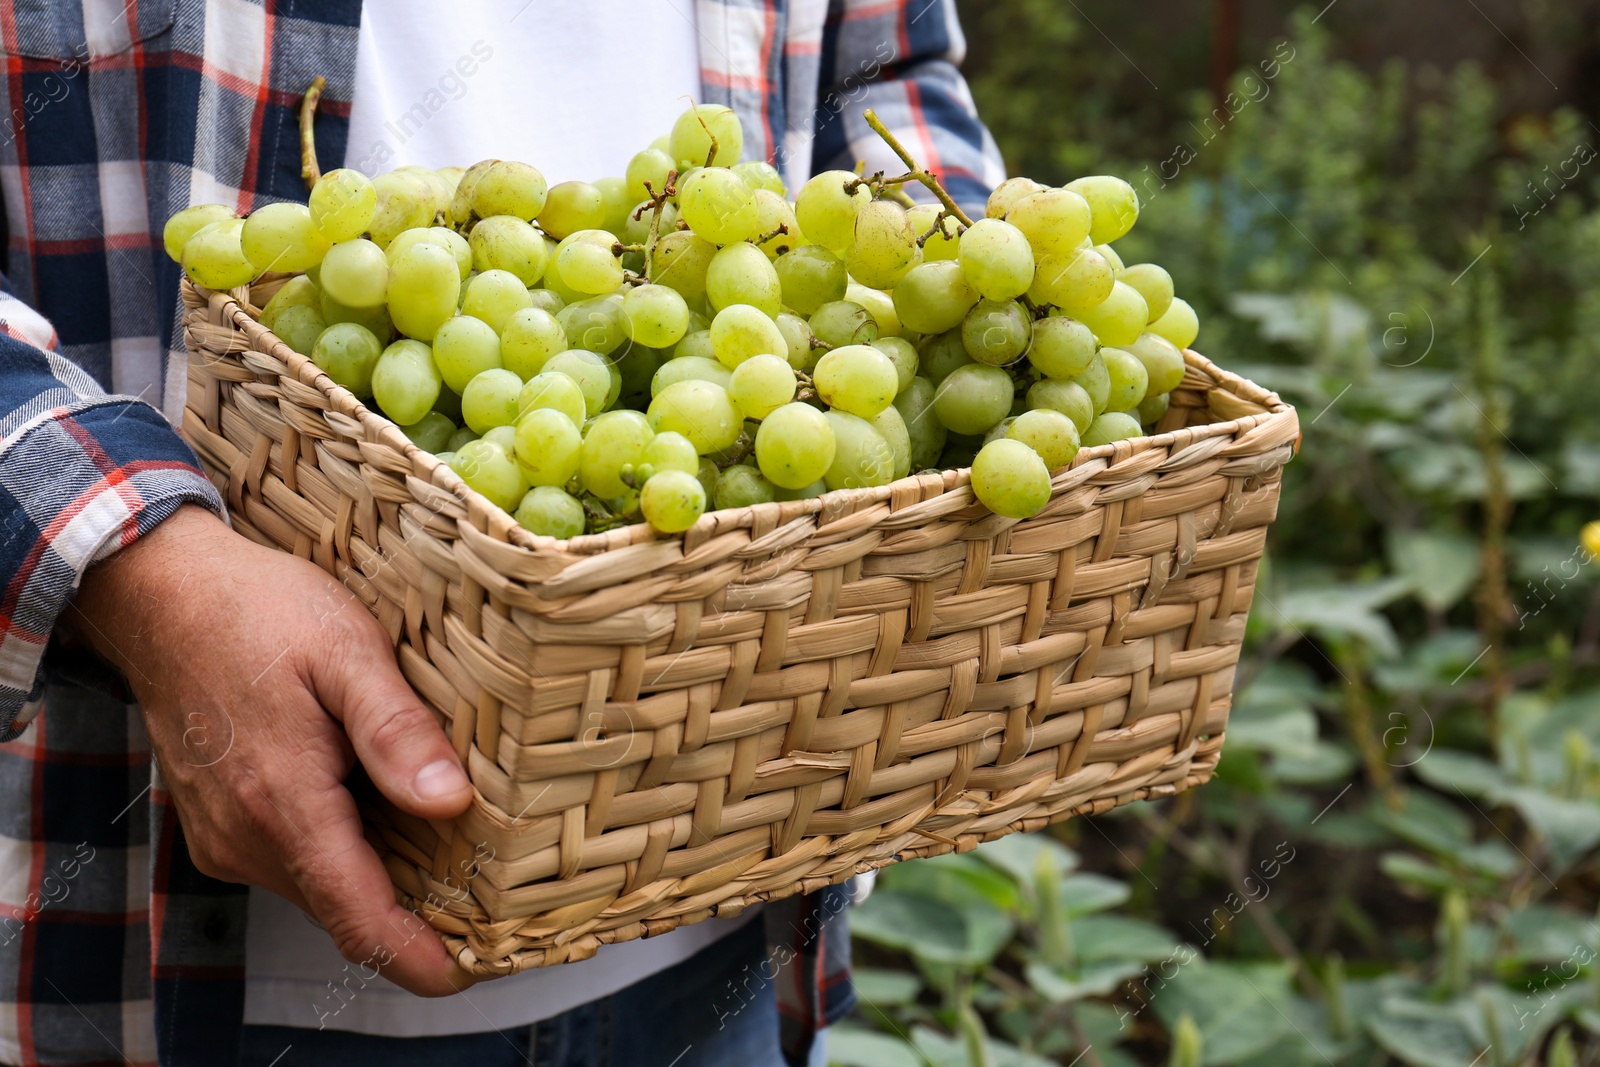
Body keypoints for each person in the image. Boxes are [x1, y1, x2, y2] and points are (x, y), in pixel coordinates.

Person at [0, 2, 1003, 1065]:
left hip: (726, 907)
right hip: (174, 950)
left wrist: (965, 288)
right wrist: (141, 569)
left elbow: (885, 62)